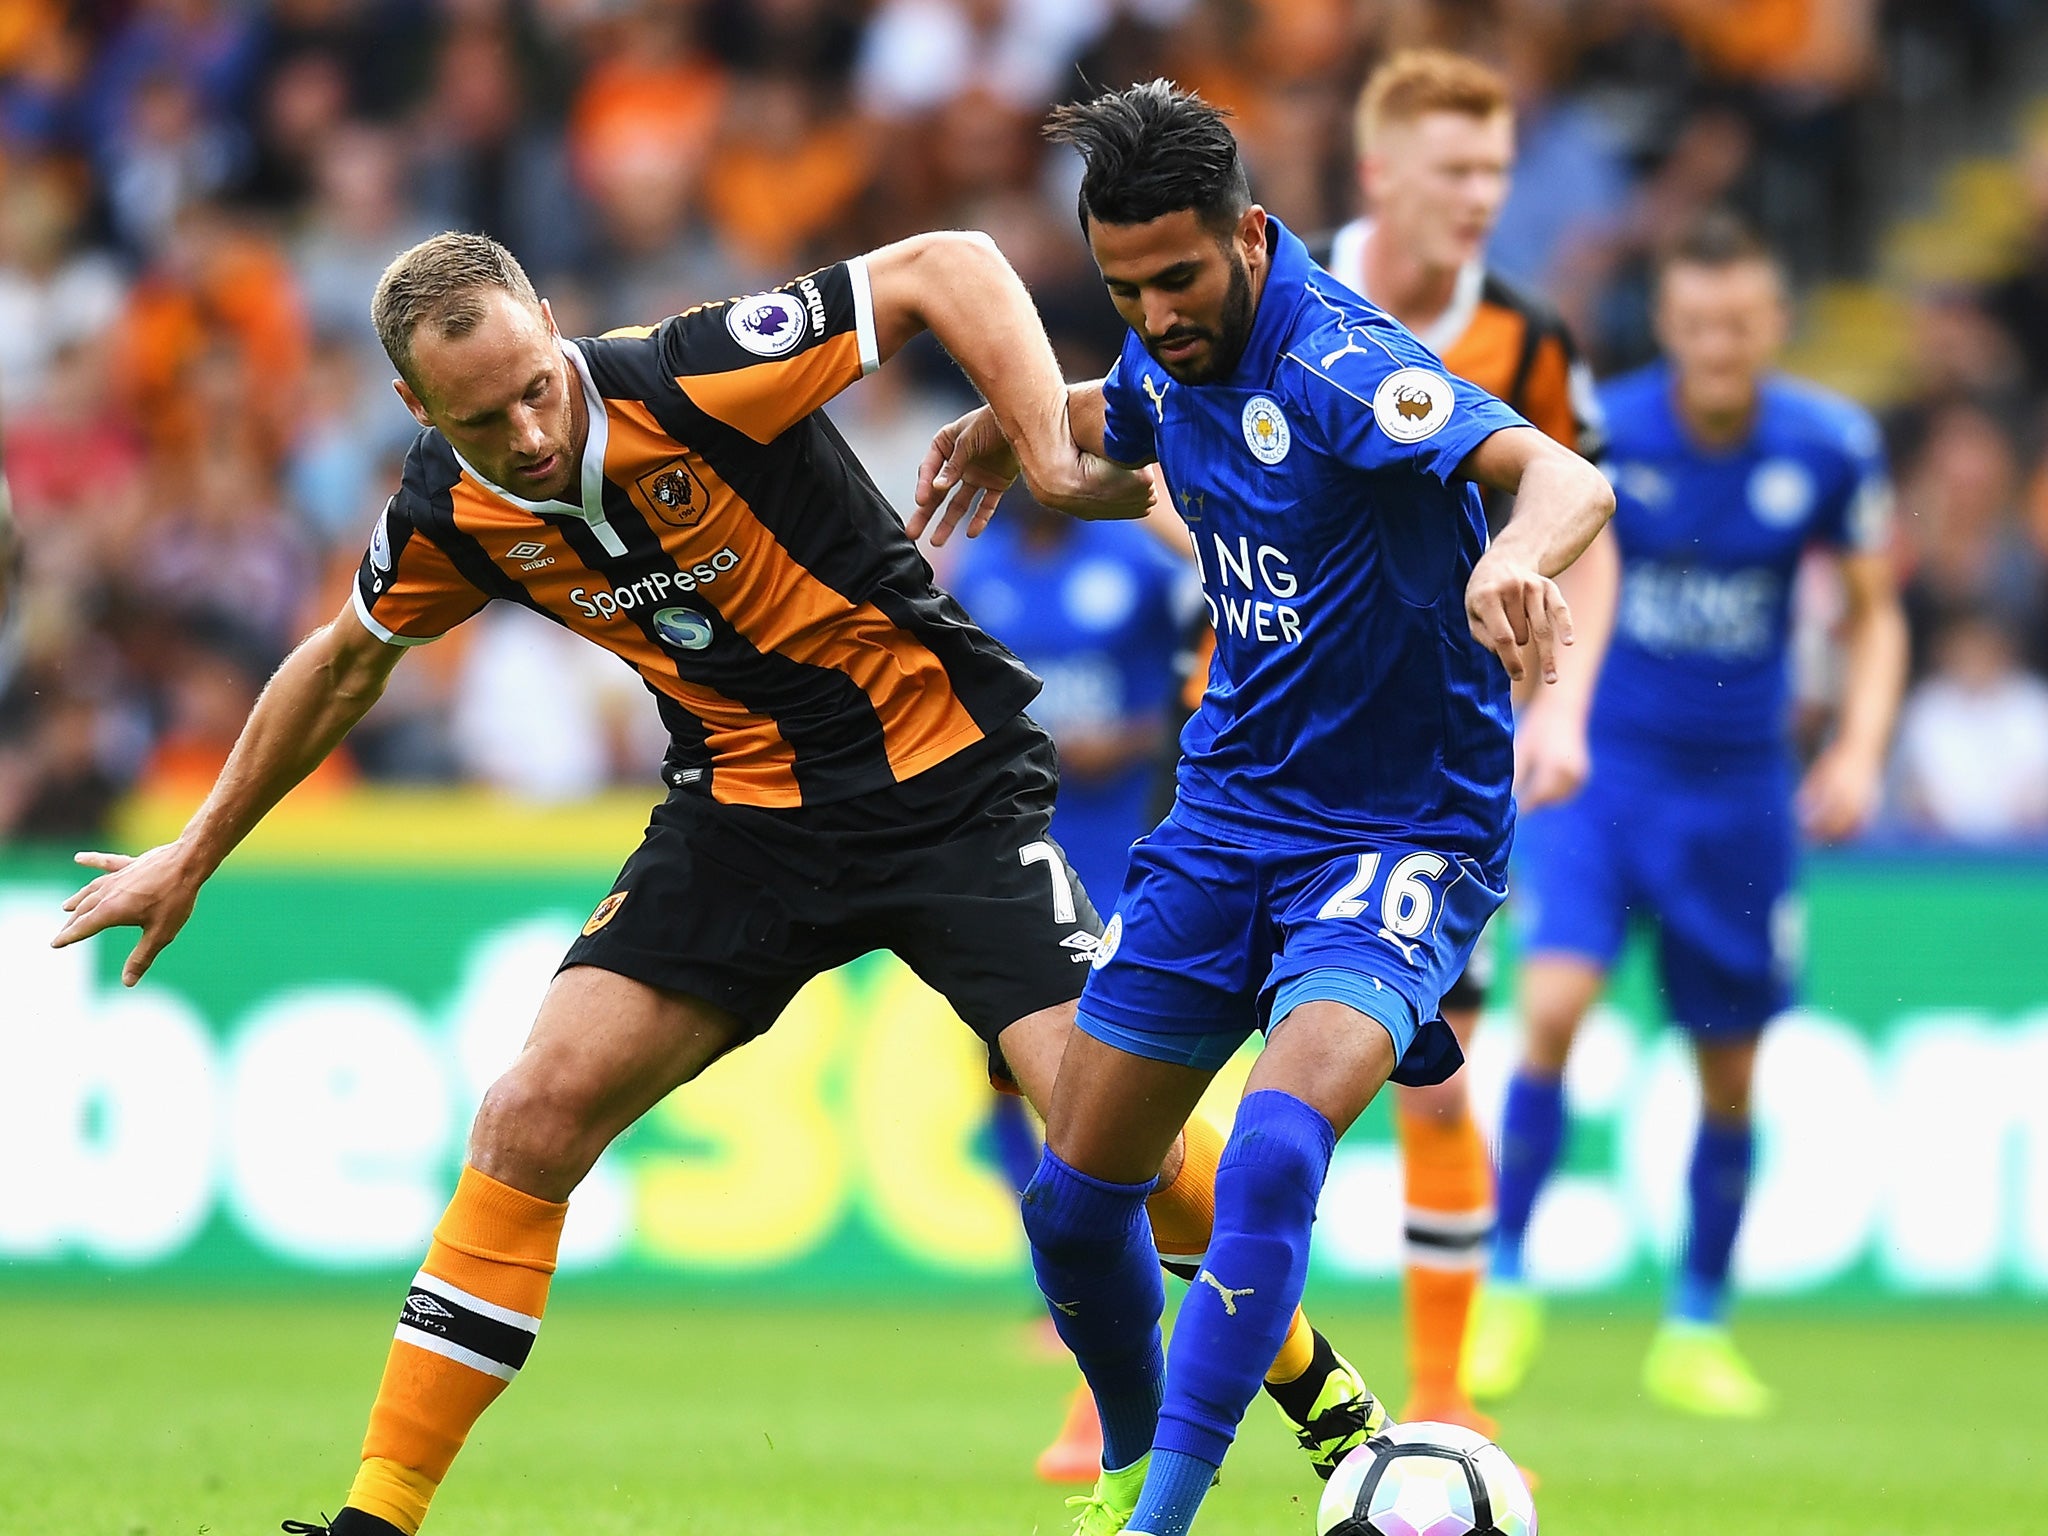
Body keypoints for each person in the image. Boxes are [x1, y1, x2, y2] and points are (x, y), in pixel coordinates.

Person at [50, 229, 1376, 1536]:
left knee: (1105, 1130)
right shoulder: (448, 512)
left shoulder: (688, 373)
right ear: (413, 407)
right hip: (743, 817)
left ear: (553, 322)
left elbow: (950, 264)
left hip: (945, 788)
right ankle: (373, 1522)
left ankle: (1330, 1411)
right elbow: (344, 660)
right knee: (532, 1112)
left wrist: (1038, 442)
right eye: (480, 417)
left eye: (535, 387)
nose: (524, 433)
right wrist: (197, 849)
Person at [914, 82, 1613, 1536]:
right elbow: (1134, 425)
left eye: (1179, 278)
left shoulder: (1348, 365)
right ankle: (1139, 1455)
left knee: (1282, 1144)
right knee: (1076, 1196)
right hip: (1229, 813)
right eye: (1125, 287)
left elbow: (1559, 475)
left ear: (1251, 234)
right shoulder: (1171, 348)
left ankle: (1158, 1516)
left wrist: (1513, 563)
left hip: (1401, 828)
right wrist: (1024, 425)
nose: (1158, 310)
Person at [1465, 211, 1908, 1418]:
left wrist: (1860, 747)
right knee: (1552, 1005)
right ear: (1667, 324)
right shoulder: (1606, 433)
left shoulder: (1826, 445)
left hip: (1740, 796)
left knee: (1728, 1071)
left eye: (1741, 321)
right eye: (1697, 323)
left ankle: (1696, 1324)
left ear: (1772, 322)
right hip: (1607, 773)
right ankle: (1500, 1284)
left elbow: (1873, 613)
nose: (1719, 343)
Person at [1313, 47, 1617, 1432]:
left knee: (1433, 1091)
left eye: (1496, 170)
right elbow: (1149, 451)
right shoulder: (1276, 298)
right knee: (1164, 1082)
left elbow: (1590, 520)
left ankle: (1444, 1401)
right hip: (1254, 745)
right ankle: (1114, 1396)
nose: (1482, 197)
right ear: (1383, 173)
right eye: (1455, 170)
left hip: (1435, 765)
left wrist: (1567, 709)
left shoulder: (1533, 339)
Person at [948, 485, 1198, 1482]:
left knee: (1102, 1096)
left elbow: (1195, 680)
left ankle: (1112, 1338)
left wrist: (1129, 740)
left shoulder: (1137, 563)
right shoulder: (983, 570)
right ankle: (1060, 1296)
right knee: (1006, 1083)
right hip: (1018, 849)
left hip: (1120, 845)